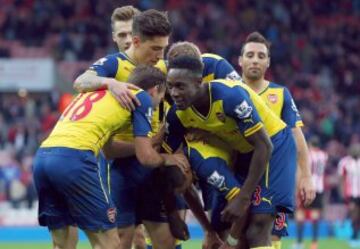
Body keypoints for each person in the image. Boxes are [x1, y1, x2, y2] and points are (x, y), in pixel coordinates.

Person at [32, 65, 189, 249]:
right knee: (109, 244)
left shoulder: (95, 93)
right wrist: (166, 158)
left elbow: (108, 150)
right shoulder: (141, 97)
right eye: (160, 99)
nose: (157, 106)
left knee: (63, 243)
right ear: (154, 90)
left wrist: (152, 141)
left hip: (43, 157)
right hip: (75, 159)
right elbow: (145, 157)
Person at [164, 55, 297, 249]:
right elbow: (165, 168)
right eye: (170, 86)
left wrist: (244, 197)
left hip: (273, 145)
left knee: (258, 225)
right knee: (234, 231)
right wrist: (172, 215)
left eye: (180, 86)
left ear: (199, 82)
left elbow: (264, 146)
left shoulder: (230, 96)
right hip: (243, 151)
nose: (174, 93)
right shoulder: (177, 115)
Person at [238, 31, 316, 249]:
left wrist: (306, 176)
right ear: (240, 60)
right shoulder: (230, 90)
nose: (255, 60)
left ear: (268, 62)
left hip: (273, 176)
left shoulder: (280, 94)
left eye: (261, 56)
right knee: (237, 236)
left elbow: (296, 137)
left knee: (270, 235)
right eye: (250, 55)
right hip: (238, 173)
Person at [294, 136, 328, 249]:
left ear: (309, 144)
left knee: (300, 214)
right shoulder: (324, 155)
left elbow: (301, 170)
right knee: (315, 215)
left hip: (306, 186)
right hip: (319, 188)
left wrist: (297, 187)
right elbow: (320, 171)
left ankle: (299, 243)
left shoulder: (307, 154)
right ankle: (314, 243)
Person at [338, 143, 360, 248]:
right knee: (354, 214)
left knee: (357, 215)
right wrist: (342, 193)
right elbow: (341, 179)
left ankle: (355, 235)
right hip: (351, 194)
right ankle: (354, 236)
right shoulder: (344, 162)